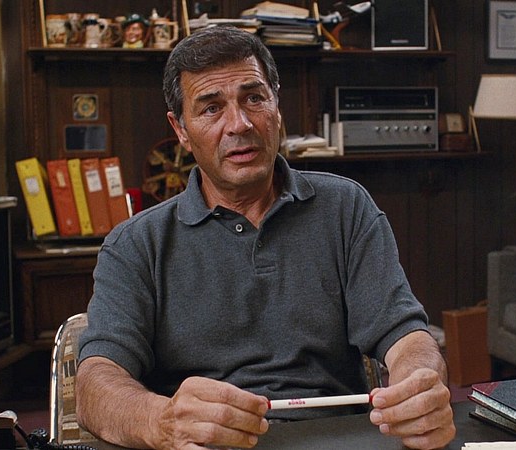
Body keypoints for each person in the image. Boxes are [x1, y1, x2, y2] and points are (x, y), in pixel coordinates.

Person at [75, 26, 455, 450]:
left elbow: (406, 336)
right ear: (180, 130)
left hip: (336, 438)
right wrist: (163, 421)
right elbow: (95, 385)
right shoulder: (135, 245)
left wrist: (420, 382)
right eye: (211, 108)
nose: (239, 124)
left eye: (254, 98)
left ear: (276, 103)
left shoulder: (345, 207)